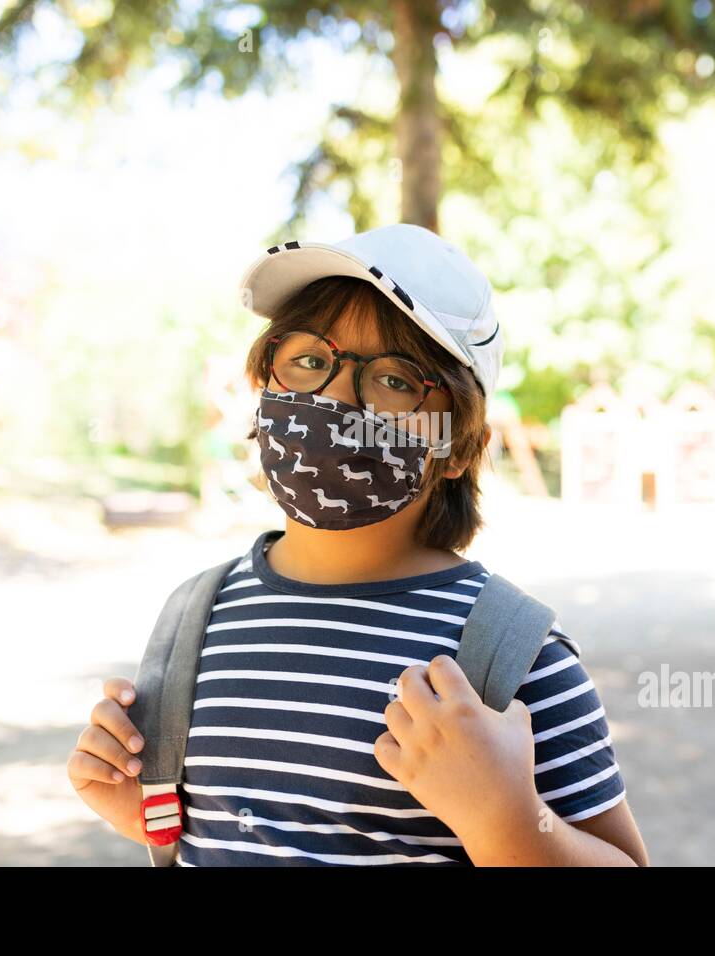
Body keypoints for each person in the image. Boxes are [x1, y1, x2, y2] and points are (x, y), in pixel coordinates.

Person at [67, 223, 649, 866]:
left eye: (396, 380)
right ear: (266, 385)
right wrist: (149, 810)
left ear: (458, 446)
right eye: (311, 361)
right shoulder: (195, 621)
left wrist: (505, 818)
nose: (336, 397)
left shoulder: (511, 656)